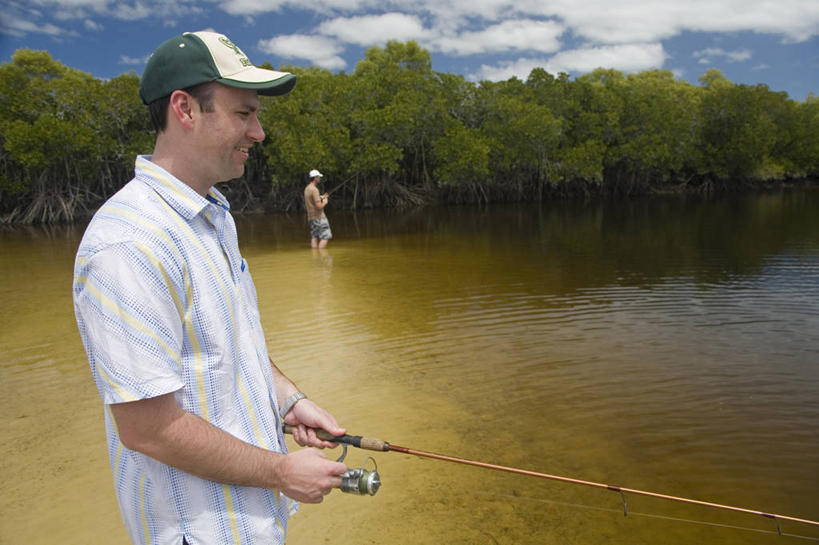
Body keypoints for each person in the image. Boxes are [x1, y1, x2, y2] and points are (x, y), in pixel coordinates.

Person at [72, 31, 348, 545]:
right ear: (185, 109)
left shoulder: (214, 217)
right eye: (244, 114)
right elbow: (147, 427)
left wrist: (287, 401)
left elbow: (229, 344)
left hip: (254, 522)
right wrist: (282, 472)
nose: (259, 132)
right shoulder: (128, 243)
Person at [304, 169, 332, 248]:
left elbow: (312, 199)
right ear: (315, 178)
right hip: (319, 218)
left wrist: (322, 197)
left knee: (314, 236)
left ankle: (315, 257)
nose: (319, 178)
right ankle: (321, 256)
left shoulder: (307, 189)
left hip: (311, 218)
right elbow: (319, 206)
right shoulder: (314, 190)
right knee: (326, 236)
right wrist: (325, 201)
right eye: (318, 177)